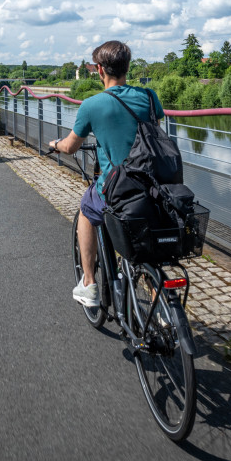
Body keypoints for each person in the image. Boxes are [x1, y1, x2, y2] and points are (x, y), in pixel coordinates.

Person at [47, 40, 162, 308]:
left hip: (120, 188)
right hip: (155, 185)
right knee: (150, 251)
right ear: (127, 67)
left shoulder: (92, 105)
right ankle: (164, 316)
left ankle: (89, 284)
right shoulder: (149, 97)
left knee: (87, 209)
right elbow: (152, 134)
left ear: (99, 70)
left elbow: (71, 145)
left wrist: (55, 145)